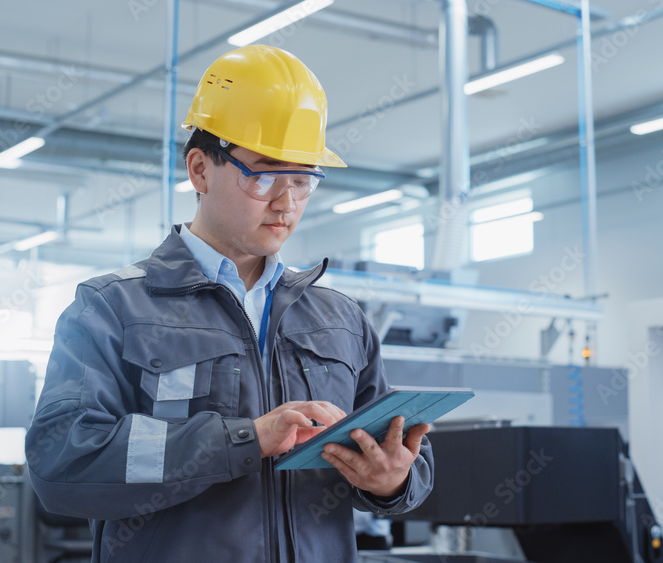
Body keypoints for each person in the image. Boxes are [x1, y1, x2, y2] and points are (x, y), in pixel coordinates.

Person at [25, 45, 433, 563]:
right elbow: (63, 465)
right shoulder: (112, 308)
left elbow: (410, 461)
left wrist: (392, 479)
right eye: (263, 174)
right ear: (200, 170)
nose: (286, 203)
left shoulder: (342, 321)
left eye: (303, 179)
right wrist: (245, 440)